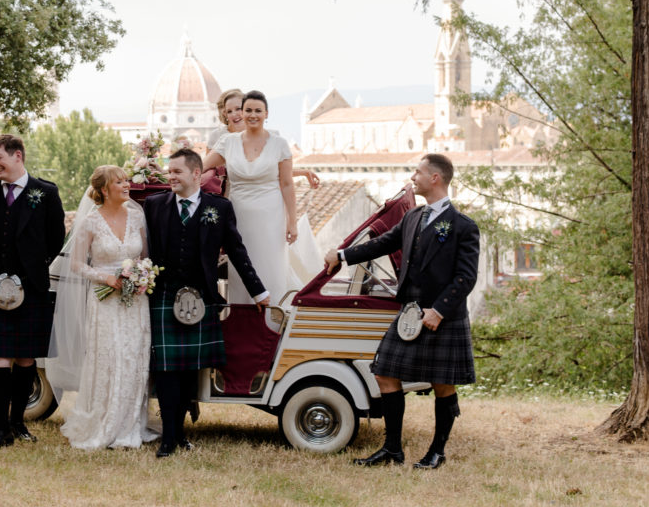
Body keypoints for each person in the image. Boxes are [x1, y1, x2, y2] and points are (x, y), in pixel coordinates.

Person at [324, 154, 479, 469]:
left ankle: (437, 451)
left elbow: (466, 277)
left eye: (418, 172)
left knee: (442, 384)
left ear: (435, 178)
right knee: (384, 372)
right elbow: (382, 244)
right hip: (409, 312)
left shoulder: (463, 226)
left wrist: (438, 310)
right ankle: (392, 450)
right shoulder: (413, 218)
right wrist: (342, 255)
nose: (413, 177)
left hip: (441, 316)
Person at [144, 148, 269, 457]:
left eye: (177, 172)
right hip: (163, 295)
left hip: (201, 297)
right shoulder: (154, 205)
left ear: (196, 174)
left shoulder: (220, 208)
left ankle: (180, 433)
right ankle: (168, 437)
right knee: (166, 370)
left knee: (189, 371)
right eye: (169, 171)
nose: (170, 177)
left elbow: (237, 252)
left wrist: (258, 292)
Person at [48, 165, 158, 450]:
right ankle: (104, 422)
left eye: (126, 180)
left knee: (133, 358)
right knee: (109, 359)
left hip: (135, 301)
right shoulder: (90, 222)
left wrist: (142, 275)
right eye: (119, 182)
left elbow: (145, 257)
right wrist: (107, 277)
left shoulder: (137, 216)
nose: (126, 185)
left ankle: (130, 422)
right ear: (104, 190)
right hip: (105, 300)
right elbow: (76, 263)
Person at [0, 134, 65, 450]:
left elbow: (55, 239)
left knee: (26, 357)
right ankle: (1, 431)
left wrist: (32, 271)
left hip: (31, 285)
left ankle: (18, 422)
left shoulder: (46, 192)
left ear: (18, 156)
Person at [203, 91, 298, 305]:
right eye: (248, 110)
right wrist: (164, 173)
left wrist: (292, 221)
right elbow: (200, 167)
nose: (252, 115)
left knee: (270, 267)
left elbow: (286, 183)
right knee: (241, 266)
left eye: (257, 110)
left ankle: (273, 321)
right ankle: (244, 323)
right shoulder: (228, 141)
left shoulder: (280, 144)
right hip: (238, 216)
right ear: (242, 113)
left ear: (266, 114)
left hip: (271, 216)